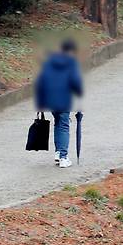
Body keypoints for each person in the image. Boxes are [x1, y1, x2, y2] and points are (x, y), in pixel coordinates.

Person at [34, 39, 83, 168]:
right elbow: (76, 83)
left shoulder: (49, 62)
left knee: (58, 123)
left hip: (50, 100)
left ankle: (58, 152)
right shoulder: (71, 63)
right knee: (64, 126)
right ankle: (63, 156)